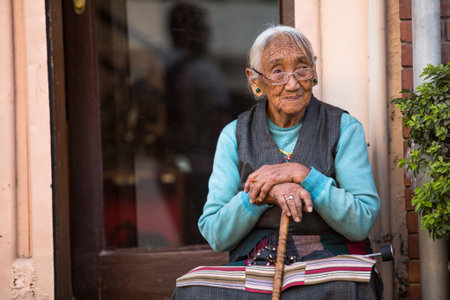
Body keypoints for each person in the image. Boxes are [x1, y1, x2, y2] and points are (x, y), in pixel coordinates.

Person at [173, 25, 382, 299]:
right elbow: (216, 233)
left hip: (327, 264)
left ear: (315, 72)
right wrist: (262, 194)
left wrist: (303, 174)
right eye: (277, 71)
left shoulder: (344, 128)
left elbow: (361, 221)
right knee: (191, 293)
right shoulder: (234, 136)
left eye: (302, 68)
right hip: (254, 267)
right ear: (255, 81)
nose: (293, 83)